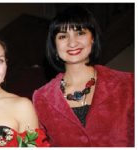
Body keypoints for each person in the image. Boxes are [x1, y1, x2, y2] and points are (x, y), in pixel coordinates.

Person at [33, 6, 134, 147]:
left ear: (92, 38)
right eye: (62, 36)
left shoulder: (129, 84)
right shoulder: (41, 98)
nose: (72, 43)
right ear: (55, 46)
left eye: (80, 33)